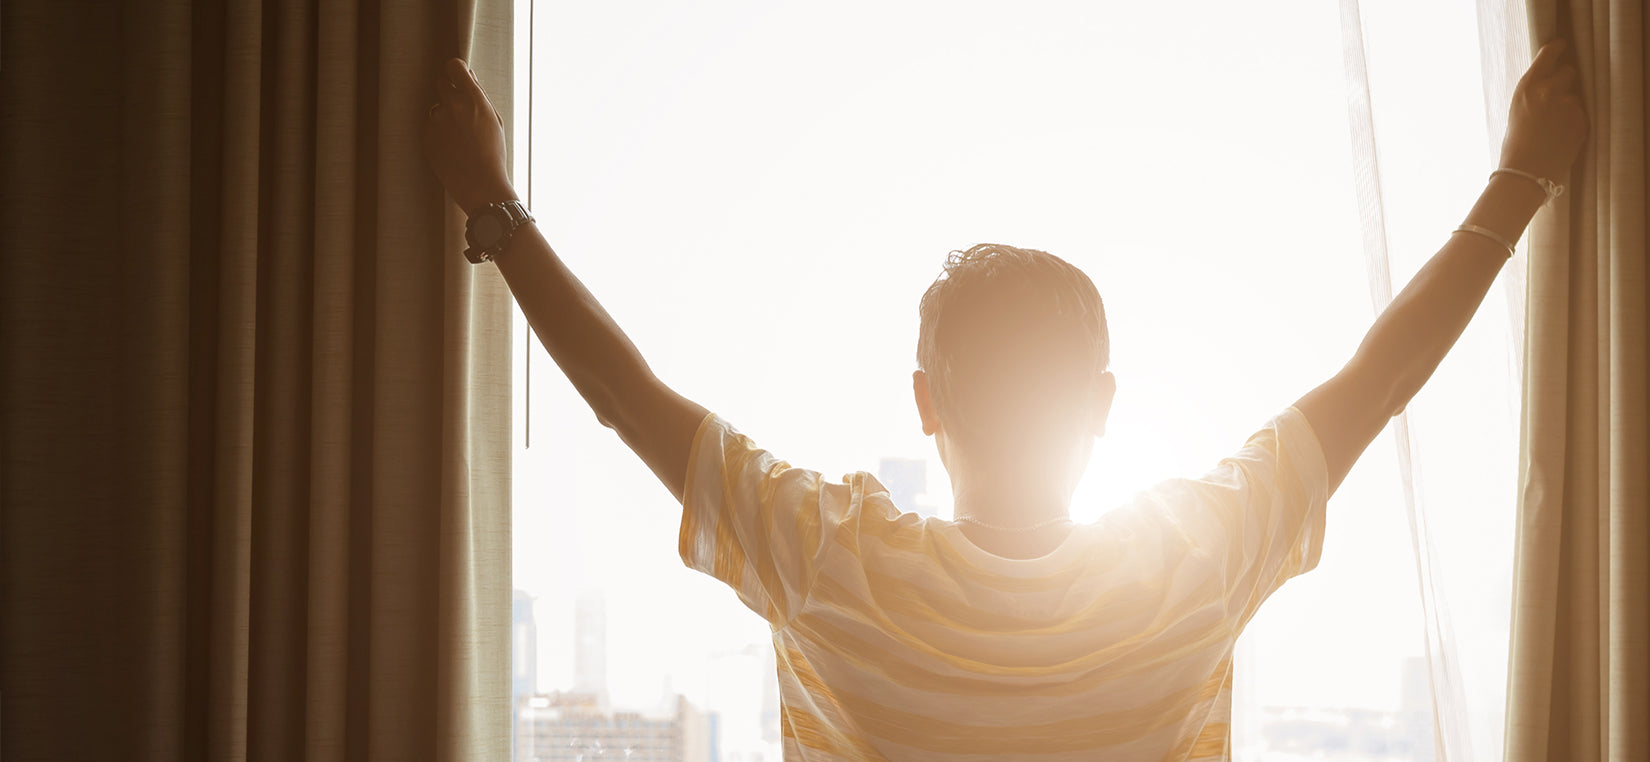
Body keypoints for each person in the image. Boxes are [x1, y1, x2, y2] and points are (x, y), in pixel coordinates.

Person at [425, 39, 1585, 761]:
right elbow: (1378, 379)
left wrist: (494, 207)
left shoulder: (830, 559)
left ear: (924, 401)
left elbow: (629, 399)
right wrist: (1521, 178)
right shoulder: (1192, 558)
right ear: (1104, 403)